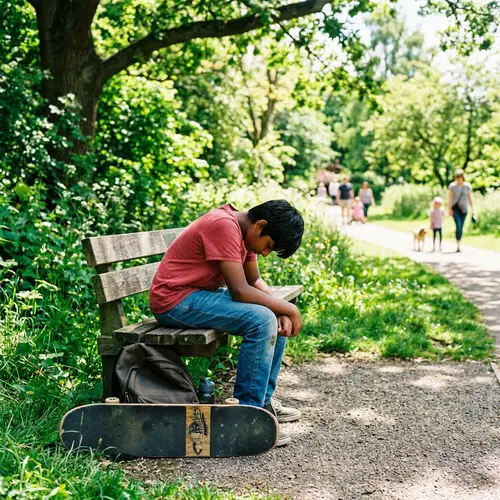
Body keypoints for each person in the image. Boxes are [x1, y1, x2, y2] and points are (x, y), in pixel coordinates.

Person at [149, 200, 304, 447]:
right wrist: (290, 308)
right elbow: (240, 291)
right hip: (174, 301)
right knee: (263, 319)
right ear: (260, 226)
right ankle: (245, 417)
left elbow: (254, 281)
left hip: (198, 296)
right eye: (269, 246)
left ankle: (263, 403)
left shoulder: (246, 232)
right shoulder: (224, 226)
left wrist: (279, 308)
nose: (265, 253)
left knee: (272, 316)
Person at [448, 169, 475, 252]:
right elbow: (450, 198)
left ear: (463, 177)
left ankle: (458, 243)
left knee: (461, 227)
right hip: (455, 208)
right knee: (458, 225)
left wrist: (473, 210)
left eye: (460, 177)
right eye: (457, 177)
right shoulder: (452, 186)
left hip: (464, 209)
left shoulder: (467, 186)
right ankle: (458, 245)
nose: (459, 179)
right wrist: (449, 209)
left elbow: (470, 198)